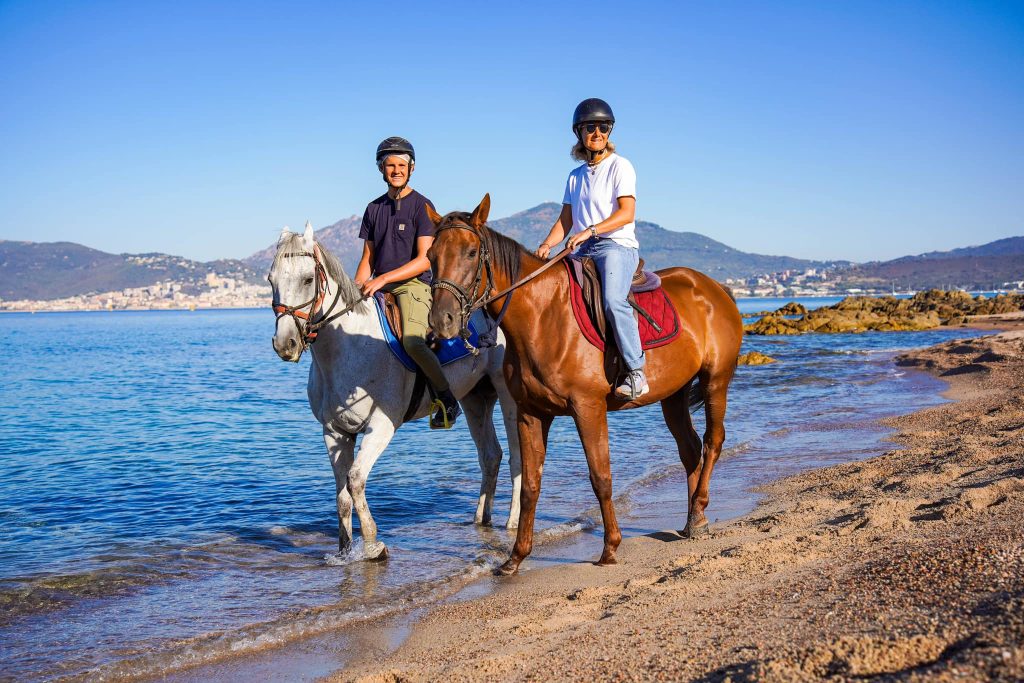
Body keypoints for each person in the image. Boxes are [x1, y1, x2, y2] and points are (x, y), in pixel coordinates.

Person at [536, 98, 648, 399]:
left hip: (615, 246)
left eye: (602, 127)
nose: (596, 132)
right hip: (582, 249)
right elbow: (565, 220)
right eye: (590, 127)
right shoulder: (575, 177)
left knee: (612, 299)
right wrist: (548, 244)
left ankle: (636, 371)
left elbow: (627, 213)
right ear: (579, 134)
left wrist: (591, 231)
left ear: (609, 131)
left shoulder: (620, 166)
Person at [354, 136, 461, 428]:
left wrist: (385, 278)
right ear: (381, 169)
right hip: (379, 284)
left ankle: (447, 399)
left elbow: (426, 258)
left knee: (413, 342)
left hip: (413, 285)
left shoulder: (421, 205)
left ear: (411, 168)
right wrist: (355, 290)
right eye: (390, 165)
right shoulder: (373, 208)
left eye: (402, 165)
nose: (396, 170)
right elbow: (367, 258)